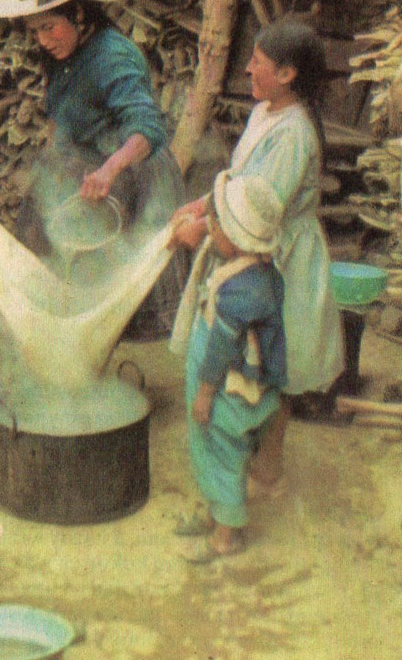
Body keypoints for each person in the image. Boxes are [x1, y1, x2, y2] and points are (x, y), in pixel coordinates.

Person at [170, 18, 344, 498]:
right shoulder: (265, 113)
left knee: (271, 366)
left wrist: (204, 228)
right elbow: (239, 182)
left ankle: (268, 466)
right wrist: (204, 204)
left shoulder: (294, 134)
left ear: (288, 74)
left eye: (258, 63)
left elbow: (262, 208)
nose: (247, 68)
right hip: (248, 244)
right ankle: (244, 453)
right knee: (247, 360)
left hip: (277, 258)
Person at [0, 0, 188, 340]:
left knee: (131, 295)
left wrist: (110, 169)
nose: (43, 40)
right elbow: (63, 116)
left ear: (77, 14)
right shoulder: (63, 55)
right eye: (34, 31)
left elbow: (147, 127)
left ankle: (130, 365)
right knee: (60, 266)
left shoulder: (112, 55)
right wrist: (53, 164)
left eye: (49, 28)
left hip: (135, 171)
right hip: (89, 167)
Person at [169, 169, 287, 560]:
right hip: (235, 380)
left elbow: (221, 348)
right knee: (212, 448)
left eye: (214, 224)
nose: (209, 229)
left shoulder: (242, 292)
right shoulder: (259, 272)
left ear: (235, 238)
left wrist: (204, 394)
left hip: (226, 386)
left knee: (223, 451)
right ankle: (219, 512)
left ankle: (227, 535)